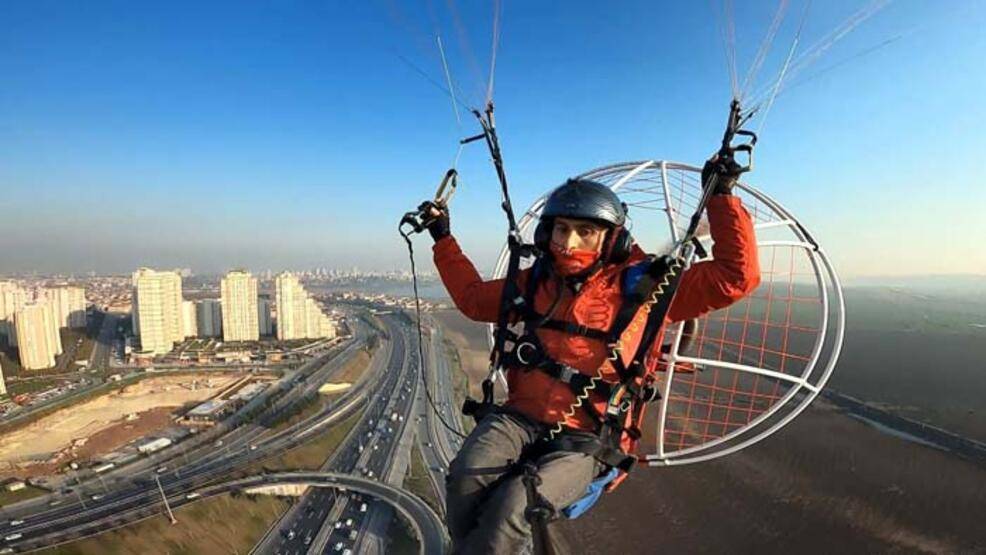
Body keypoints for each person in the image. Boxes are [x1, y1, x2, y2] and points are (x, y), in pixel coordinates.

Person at [421, 158, 760, 554]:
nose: (569, 243)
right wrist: (442, 237)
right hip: (520, 416)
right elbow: (474, 299)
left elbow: (735, 278)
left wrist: (720, 198)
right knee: (464, 478)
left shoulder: (648, 286)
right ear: (547, 232)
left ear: (611, 239)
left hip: (588, 436)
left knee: (517, 507)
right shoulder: (535, 284)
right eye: (562, 230)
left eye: (586, 232)